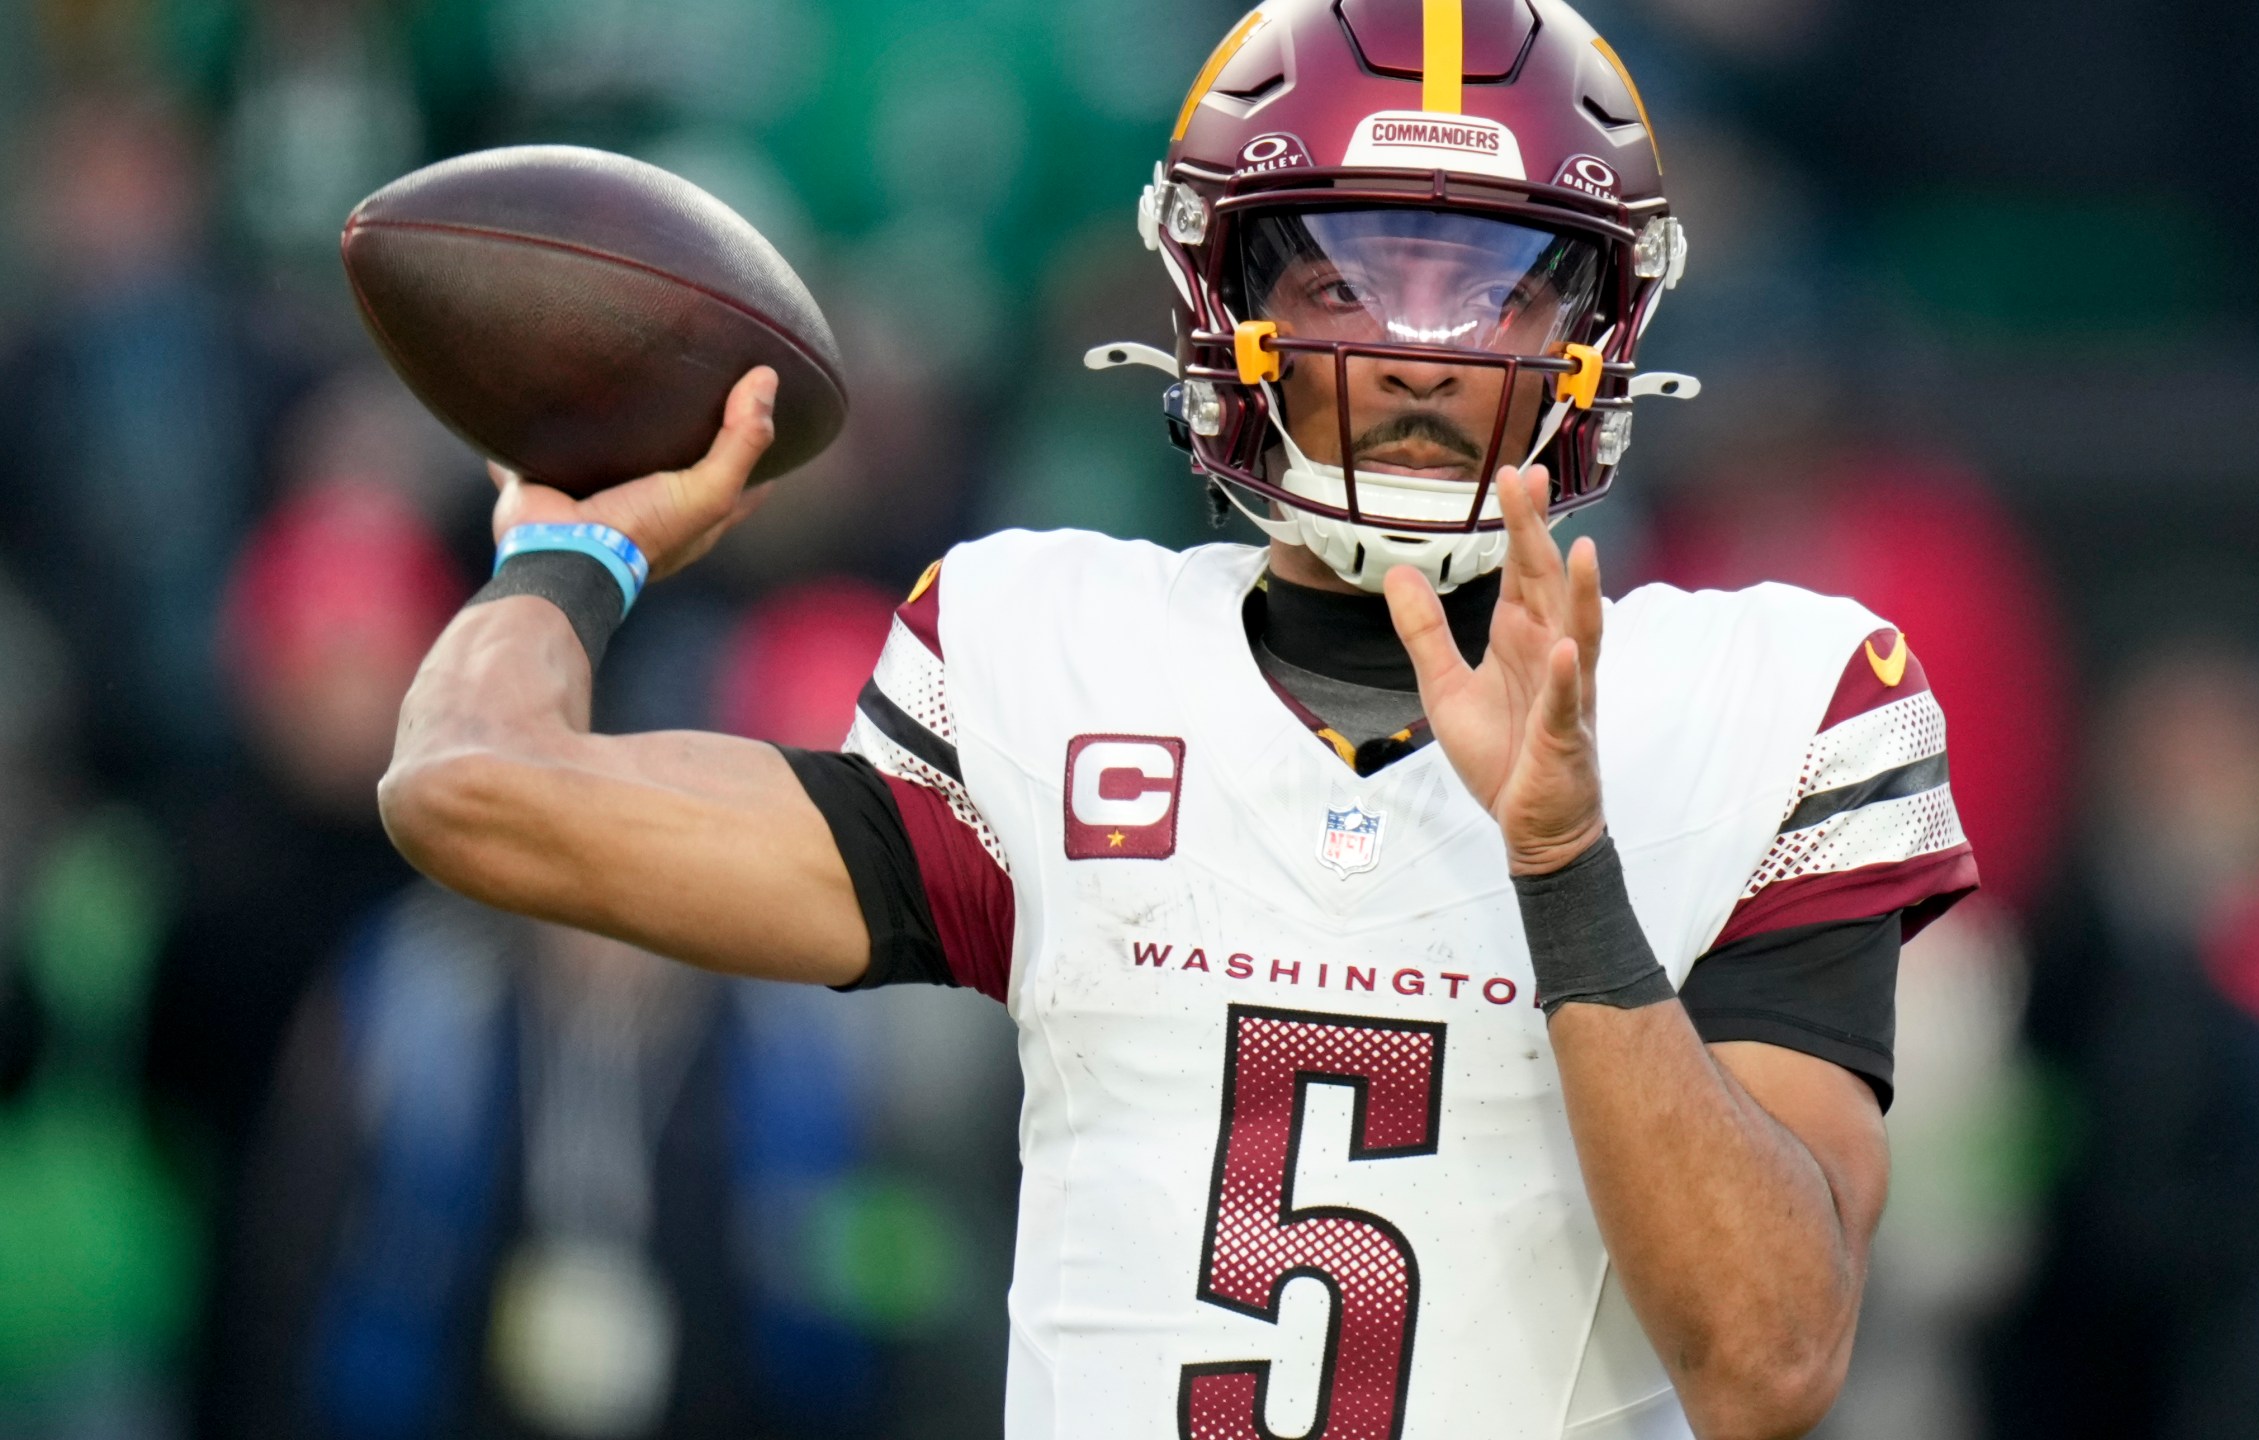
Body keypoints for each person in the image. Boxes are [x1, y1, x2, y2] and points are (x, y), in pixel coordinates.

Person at [378, 1, 1979, 1434]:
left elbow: (1770, 1361)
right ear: (1218, 301)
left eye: (1489, 288)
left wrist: (1566, 866)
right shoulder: (1055, 657)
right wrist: (572, 547)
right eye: (1348, 277)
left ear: (1597, 334)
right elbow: (472, 788)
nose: (1417, 357)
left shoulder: (1771, 704)